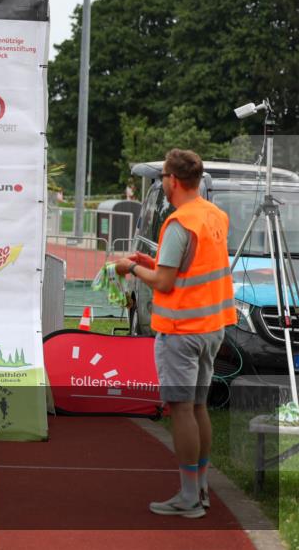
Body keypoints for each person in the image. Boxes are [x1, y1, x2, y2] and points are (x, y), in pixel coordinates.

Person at [114, 149, 233, 519]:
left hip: (182, 330)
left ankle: (188, 498)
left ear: (173, 181)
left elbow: (164, 283)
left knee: (181, 409)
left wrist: (131, 267)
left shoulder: (179, 223)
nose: (162, 182)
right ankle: (199, 489)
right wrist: (153, 263)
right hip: (211, 327)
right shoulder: (215, 216)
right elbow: (187, 268)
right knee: (197, 407)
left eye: (163, 176)